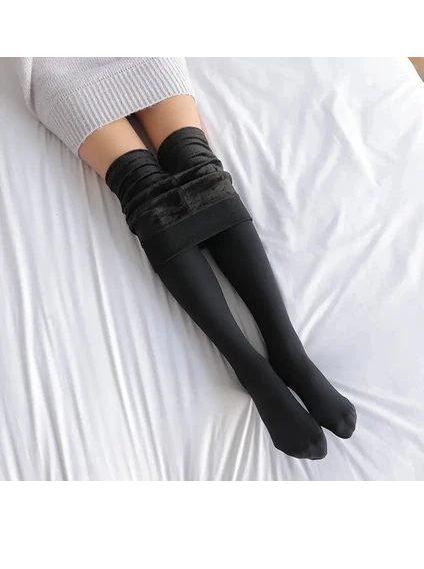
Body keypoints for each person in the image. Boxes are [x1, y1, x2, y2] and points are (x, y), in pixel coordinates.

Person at [15, 57, 356, 460]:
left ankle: (288, 351)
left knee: (199, 165)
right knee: (141, 186)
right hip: (52, 62)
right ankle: (250, 368)